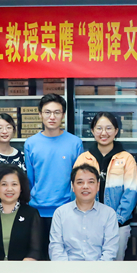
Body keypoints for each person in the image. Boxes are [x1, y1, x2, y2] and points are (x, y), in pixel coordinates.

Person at [74, 112, 137, 273]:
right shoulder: (84, 158)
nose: (104, 133)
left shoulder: (126, 158)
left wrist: (116, 220)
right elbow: (75, 189)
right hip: (87, 222)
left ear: (116, 131)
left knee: (114, 271)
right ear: (92, 131)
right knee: (89, 270)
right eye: (99, 128)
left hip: (119, 225)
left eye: (109, 128)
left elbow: (131, 192)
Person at [24, 94, 85, 247]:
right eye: (47, 112)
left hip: (67, 209)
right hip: (37, 210)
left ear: (63, 115)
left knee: (64, 254)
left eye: (57, 112)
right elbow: (30, 179)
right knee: (38, 254)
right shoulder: (30, 143)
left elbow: (79, 179)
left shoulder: (75, 143)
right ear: (40, 114)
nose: (52, 117)